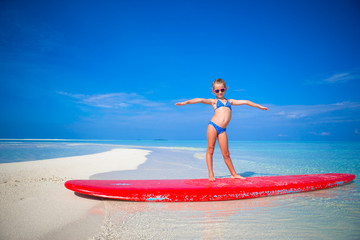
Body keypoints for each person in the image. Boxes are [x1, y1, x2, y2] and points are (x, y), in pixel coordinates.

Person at [175, 78, 268, 181]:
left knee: (226, 153)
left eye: (222, 90)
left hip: (223, 130)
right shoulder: (214, 101)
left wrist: (259, 106)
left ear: (225, 89)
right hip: (213, 126)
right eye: (217, 90)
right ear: (213, 91)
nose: (220, 92)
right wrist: (185, 102)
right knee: (210, 150)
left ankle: (233, 174)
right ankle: (211, 174)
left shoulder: (230, 101)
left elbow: (245, 102)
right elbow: (199, 100)